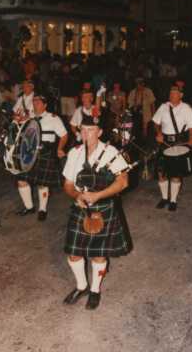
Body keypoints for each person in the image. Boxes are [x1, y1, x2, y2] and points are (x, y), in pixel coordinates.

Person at [62, 113, 130, 310]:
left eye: (91, 130)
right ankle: (81, 286)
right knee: (74, 254)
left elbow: (123, 182)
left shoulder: (111, 152)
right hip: (80, 207)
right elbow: (67, 184)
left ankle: (95, 290)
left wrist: (99, 195)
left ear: (99, 132)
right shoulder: (74, 152)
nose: (86, 133)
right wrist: (76, 195)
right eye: (83, 130)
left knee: (98, 255)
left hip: (103, 208)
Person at [16, 91, 68, 221]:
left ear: (45, 105)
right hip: (28, 151)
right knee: (21, 180)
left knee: (42, 183)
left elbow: (64, 135)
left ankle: (42, 209)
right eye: (34, 101)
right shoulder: (28, 117)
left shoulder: (53, 118)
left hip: (45, 151)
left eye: (38, 102)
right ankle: (29, 207)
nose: (35, 103)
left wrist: (60, 148)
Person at [152, 85, 192, 211]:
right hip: (164, 141)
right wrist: (159, 133)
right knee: (161, 172)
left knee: (176, 173)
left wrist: (191, 139)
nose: (172, 95)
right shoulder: (163, 107)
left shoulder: (187, 108)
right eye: (170, 93)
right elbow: (156, 122)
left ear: (181, 95)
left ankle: (173, 200)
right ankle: (165, 198)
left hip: (179, 142)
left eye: (175, 93)